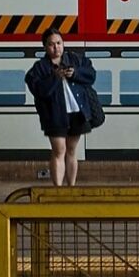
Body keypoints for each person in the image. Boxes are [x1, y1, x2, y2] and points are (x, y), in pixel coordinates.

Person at [26, 31, 96, 187]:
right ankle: (58, 189)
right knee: (59, 151)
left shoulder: (75, 59)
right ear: (45, 47)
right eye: (51, 44)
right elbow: (38, 90)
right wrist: (55, 77)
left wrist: (75, 73)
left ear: (63, 44)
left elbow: (91, 74)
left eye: (59, 43)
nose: (56, 48)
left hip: (77, 113)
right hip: (54, 116)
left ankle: (71, 187)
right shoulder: (40, 68)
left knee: (71, 150)